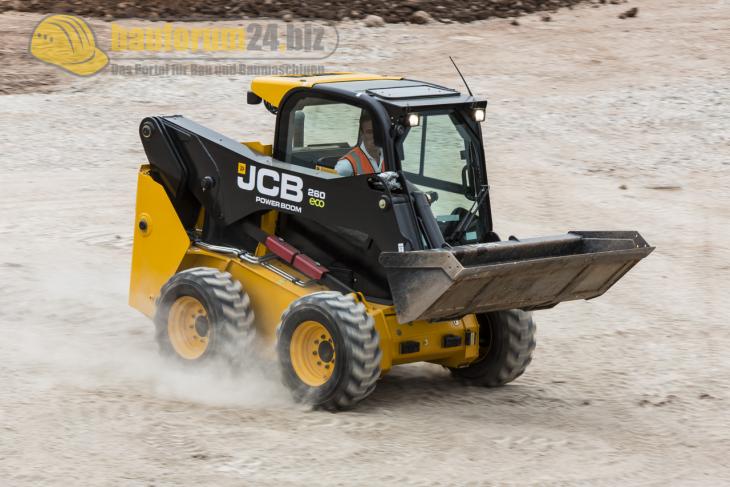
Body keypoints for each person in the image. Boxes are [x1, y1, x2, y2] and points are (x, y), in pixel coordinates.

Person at [334, 111, 385, 176]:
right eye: (369, 132)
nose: (375, 136)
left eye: (377, 131)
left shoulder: (389, 155)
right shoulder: (346, 165)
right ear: (362, 134)